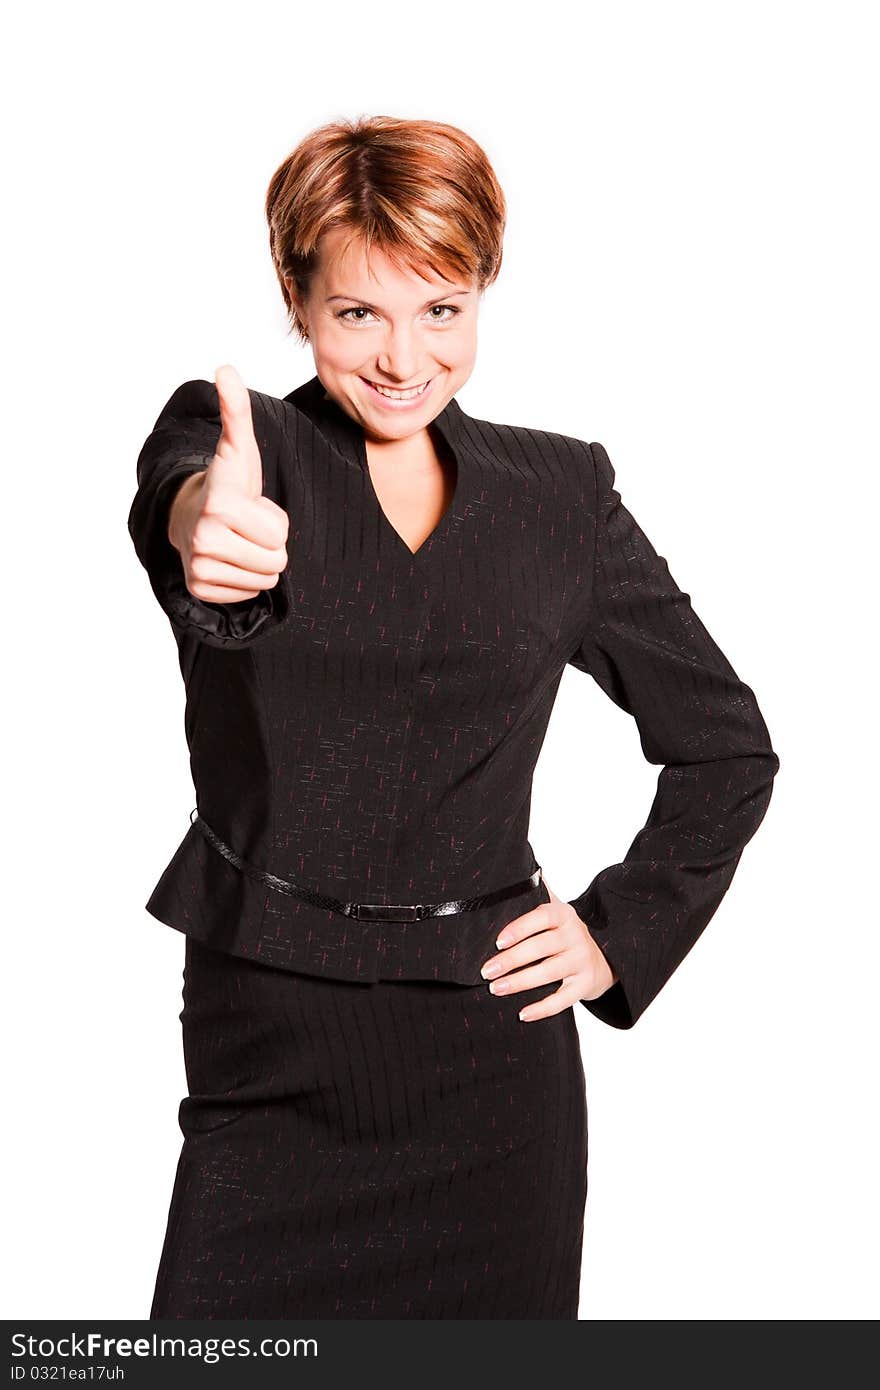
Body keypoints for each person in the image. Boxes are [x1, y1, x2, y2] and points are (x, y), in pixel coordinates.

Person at [128, 115, 780, 1321]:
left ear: (481, 295)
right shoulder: (240, 447)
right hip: (270, 1048)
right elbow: (184, 509)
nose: (400, 358)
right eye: (357, 313)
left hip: (494, 1072)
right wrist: (201, 534)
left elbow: (726, 746)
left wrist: (616, 929)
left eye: (441, 309)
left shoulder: (560, 492)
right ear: (296, 294)